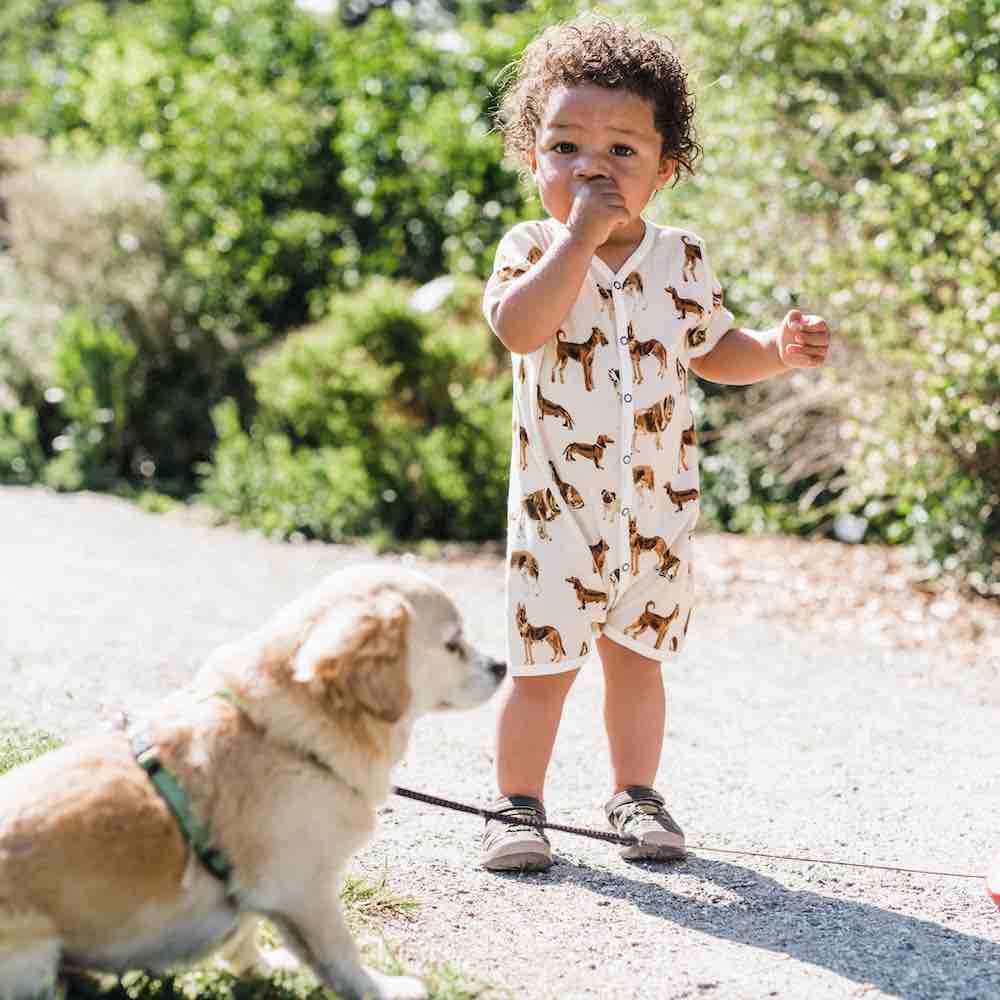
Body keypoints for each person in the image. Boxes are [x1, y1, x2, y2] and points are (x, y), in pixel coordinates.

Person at [479, 15, 832, 872]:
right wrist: (576, 240)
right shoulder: (531, 248)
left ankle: (634, 794)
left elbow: (713, 348)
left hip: (655, 512)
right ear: (533, 158)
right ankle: (514, 806)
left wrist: (776, 353)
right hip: (558, 508)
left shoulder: (682, 259)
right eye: (566, 146)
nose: (592, 167)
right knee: (543, 665)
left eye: (622, 153)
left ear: (663, 170)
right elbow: (520, 330)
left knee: (638, 659)